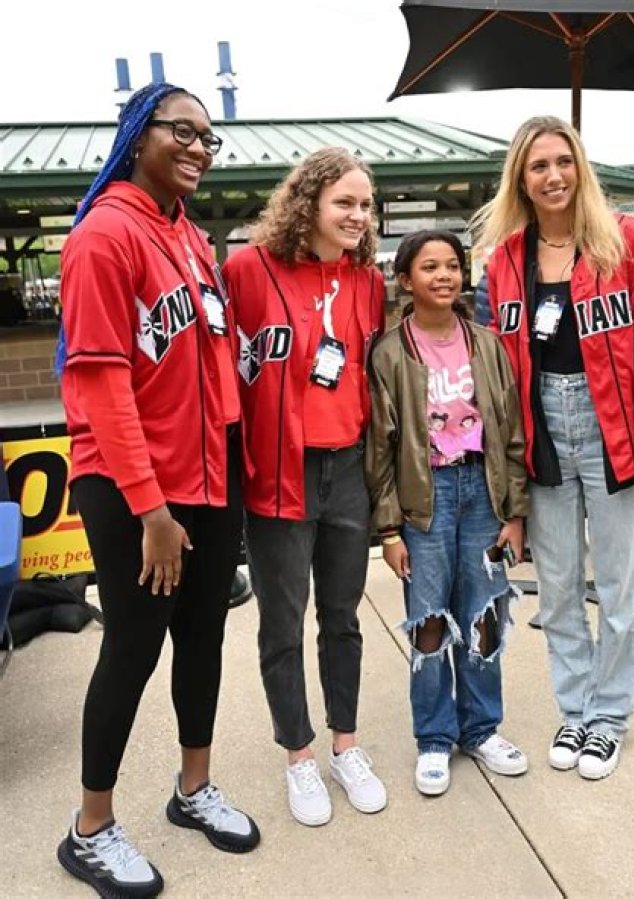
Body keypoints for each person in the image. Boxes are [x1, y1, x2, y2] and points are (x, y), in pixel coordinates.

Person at [55, 83, 259, 899]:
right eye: (185, 131)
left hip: (208, 478)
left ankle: (192, 787)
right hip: (135, 490)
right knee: (132, 650)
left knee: (203, 639)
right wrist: (151, 509)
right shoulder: (104, 235)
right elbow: (102, 385)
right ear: (139, 134)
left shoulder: (190, 238)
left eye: (211, 139)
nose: (199, 149)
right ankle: (90, 828)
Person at [473, 115, 634, 780]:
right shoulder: (504, 259)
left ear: (580, 166)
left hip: (610, 421)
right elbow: (493, 371)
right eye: (538, 166)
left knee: (618, 587)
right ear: (521, 179)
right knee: (559, 589)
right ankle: (576, 709)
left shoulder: (627, 243)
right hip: (542, 431)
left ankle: (609, 718)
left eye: (563, 161)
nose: (554, 175)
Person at [222, 147, 387, 827]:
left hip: (346, 467)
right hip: (278, 475)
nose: (357, 215)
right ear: (308, 202)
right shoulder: (247, 271)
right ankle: (299, 752)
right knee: (282, 624)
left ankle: (346, 744)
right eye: (344, 202)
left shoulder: (369, 280)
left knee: (343, 618)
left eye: (366, 204)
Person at [365, 229, 529, 796]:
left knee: (483, 614)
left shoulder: (486, 344)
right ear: (405, 280)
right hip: (424, 501)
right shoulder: (389, 352)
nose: (443, 276)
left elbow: (510, 433)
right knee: (429, 619)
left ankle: (481, 728)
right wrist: (389, 529)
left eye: (453, 266)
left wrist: (515, 512)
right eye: (429, 267)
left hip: (482, 494)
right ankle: (435, 736)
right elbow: (381, 449)